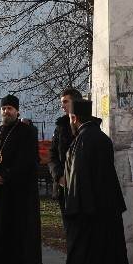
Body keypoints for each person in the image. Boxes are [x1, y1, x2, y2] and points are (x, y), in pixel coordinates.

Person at [54, 99, 133, 264]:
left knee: (82, 254)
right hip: (106, 206)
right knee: (109, 252)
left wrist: (74, 208)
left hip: (87, 208)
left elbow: (80, 178)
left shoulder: (83, 140)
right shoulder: (99, 137)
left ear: (74, 118)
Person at [0, 95, 42, 264]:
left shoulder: (26, 132)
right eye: (3, 108)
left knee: (19, 230)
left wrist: (6, 176)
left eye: (9, 108)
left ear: (17, 111)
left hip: (18, 191)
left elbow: (27, 160)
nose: (6, 111)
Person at [50, 89, 82, 219]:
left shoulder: (86, 124)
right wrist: (58, 176)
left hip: (81, 187)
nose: (62, 105)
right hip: (63, 186)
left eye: (65, 102)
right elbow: (52, 155)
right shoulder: (60, 126)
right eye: (61, 102)